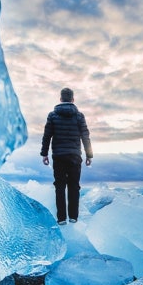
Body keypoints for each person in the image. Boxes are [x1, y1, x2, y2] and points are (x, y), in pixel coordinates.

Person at [40, 87, 93, 225]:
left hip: (58, 156)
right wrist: (89, 155)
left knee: (60, 187)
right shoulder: (79, 116)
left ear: (61, 99)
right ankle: (73, 217)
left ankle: (62, 218)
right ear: (73, 99)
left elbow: (47, 136)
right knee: (74, 186)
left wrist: (44, 153)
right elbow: (85, 136)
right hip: (75, 156)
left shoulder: (52, 115)